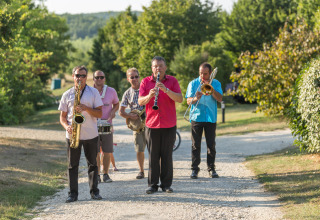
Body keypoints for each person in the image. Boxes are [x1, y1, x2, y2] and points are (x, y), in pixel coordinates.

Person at [138, 56, 183, 194]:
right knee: (153, 156)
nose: (158, 68)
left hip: (169, 124)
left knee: (167, 156)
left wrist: (166, 90)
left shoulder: (172, 81)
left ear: (165, 67)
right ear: (152, 68)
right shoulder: (145, 81)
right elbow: (140, 101)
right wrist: (150, 96)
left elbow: (180, 99)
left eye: (161, 66)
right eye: (155, 66)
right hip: (152, 124)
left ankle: (166, 185)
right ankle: (152, 184)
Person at [59, 65, 103, 203]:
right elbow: (62, 117)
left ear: (86, 77)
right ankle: (72, 194)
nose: (80, 78)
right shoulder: (67, 94)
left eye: (83, 76)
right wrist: (67, 127)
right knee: (72, 166)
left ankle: (94, 192)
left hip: (90, 134)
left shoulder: (93, 92)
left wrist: (86, 108)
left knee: (93, 165)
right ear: (73, 76)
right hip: (73, 135)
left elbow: (100, 113)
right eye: (77, 75)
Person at [185, 62, 223, 179]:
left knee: (211, 144)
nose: (202, 76)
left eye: (205, 74)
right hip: (196, 117)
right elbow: (188, 101)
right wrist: (196, 97)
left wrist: (211, 89)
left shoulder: (216, 83)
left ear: (210, 73)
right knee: (195, 145)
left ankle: (211, 168)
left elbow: (220, 99)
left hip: (210, 117)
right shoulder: (193, 83)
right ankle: (194, 169)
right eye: (200, 73)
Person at [119, 68, 146, 179]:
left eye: (136, 76)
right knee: (139, 149)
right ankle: (141, 171)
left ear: (139, 77)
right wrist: (130, 116)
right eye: (132, 77)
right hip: (138, 125)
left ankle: (156, 171)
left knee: (154, 149)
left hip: (150, 122)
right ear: (128, 79)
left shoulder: (146, 88)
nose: (134, 79)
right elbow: (121, 111)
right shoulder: (127, 93)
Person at [93, 70, 119, 183]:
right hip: (93, 124)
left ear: (104, 78)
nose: (99, 79)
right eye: (97, 77)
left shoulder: (111, 91)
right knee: (96, 151)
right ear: (93, 78)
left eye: (101, 77)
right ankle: (97, 175)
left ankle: (106, 174)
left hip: (107, 124)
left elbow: (117, 103)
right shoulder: (89, 91)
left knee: (107, 151)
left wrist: (113, 111)